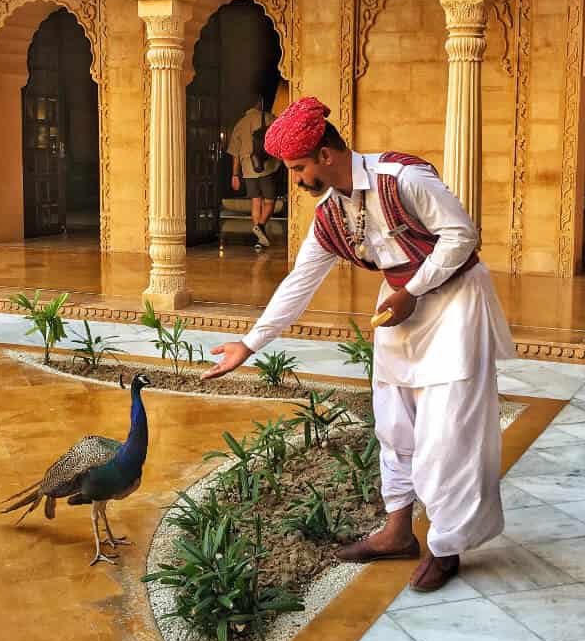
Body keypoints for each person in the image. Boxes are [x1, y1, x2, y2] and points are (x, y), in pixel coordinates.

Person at [203, 96, 514, 593]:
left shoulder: (402, 179)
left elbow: (462, 235)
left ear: (326, 155)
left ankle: (446, 547)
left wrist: (413, 290)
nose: (298, 180)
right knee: (394, 421)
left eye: (300, 168)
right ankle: (396, 533)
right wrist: (250, 342)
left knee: (448, 433)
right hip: (399, 304)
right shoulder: (331, 215)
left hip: (455, 302)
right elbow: (298, 283)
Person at [227, 97, 281, 248]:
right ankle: (261, 226)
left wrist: (235, 175)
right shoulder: (269, 118)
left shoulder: (240, 123)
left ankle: (260, 240)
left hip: (247, 168)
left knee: (256, 202)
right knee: (270, 201)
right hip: (266, 166)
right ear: (258, 104)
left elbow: (234, 153)